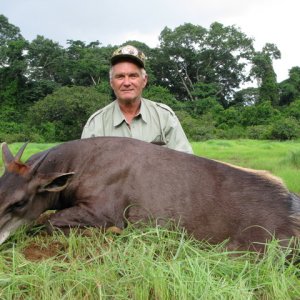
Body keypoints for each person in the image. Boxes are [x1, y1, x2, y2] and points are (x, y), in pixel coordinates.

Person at [81, 44, 193, 154]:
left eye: (133, 76)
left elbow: (185, 163)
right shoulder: (96, 124)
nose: (126, 83)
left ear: (144, 80)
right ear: (111, 82)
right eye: (120, 77)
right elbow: (83, 167)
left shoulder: (164, 117)